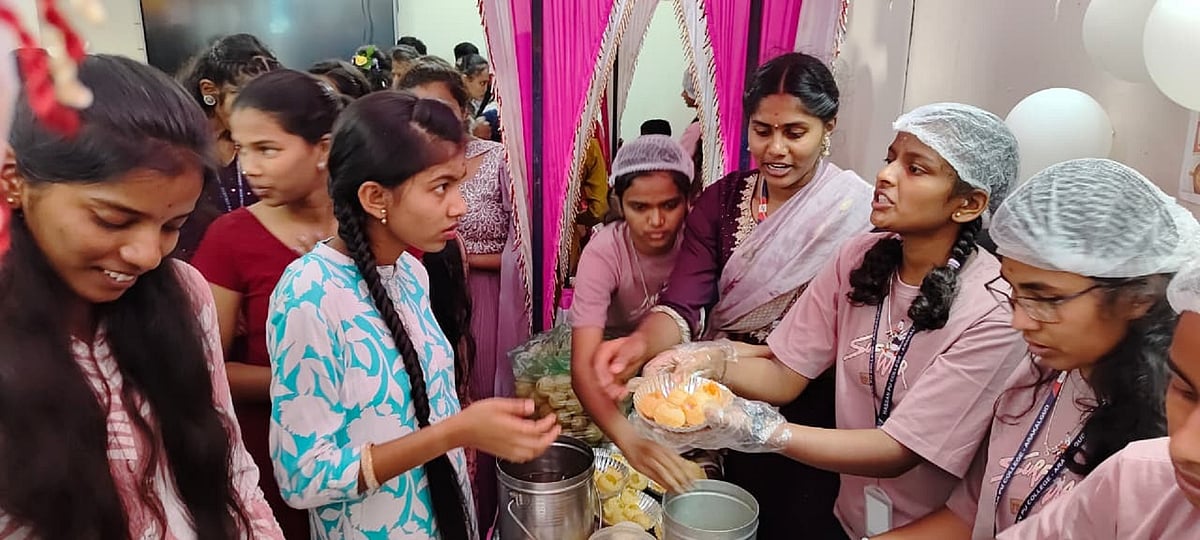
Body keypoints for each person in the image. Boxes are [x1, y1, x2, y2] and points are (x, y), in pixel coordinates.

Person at [638, 103, 1027, 538]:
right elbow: (785, 371)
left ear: (968, 203)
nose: (886, 176)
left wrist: (760, 428)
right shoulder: (860, 257)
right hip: (848, 512)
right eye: (890, 159)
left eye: (915, 169)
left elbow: (898, 450)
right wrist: (708, 362)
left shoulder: (994, 309)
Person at [589, 52, 876, 536]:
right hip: (721, 393)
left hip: (812, 401)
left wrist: (718, 359)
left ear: (829, 126)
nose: (776, 148)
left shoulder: (858, 212)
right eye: (762, 130)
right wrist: (639, 344)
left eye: (795, 132)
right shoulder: (721, 200)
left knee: (793, 519)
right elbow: (683, 304)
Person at [0, 53, 283, 539]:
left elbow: (232, 471)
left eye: (172, 226)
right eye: (112, 220)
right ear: (15, 184)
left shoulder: (181, 293)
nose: (147, 254)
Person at [267, 91, 558, 540]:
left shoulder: (410, 271)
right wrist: (453, 433)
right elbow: (303, 476)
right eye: (441, 187)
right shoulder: (309, 294)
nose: (459, 206)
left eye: (458, 184)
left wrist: (470, 427)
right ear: (374, 197)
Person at [875, 158, 1200, 539]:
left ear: (1136, 296)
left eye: (1046, 299)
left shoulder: (1166, 435)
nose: (1020, 321)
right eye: (1013, 291)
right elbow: (968, 515)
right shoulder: (1036, 376)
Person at [191, 69, 344, 539]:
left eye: (267, 149)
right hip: (279, 453)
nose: (248, 167)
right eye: (241, 148)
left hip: (372, 444)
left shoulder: (373, 220)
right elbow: (209, 369)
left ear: (322, 148)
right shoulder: (231, 237)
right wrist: (317, 385)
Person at [397, 59, 532, 534]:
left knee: (481, 397)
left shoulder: (498, 160)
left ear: (465, 108)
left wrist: (465, 259)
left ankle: (492, 511)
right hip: (420, 292)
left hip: (485, 297)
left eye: (442, 109)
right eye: (417, 110)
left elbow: (525, 246)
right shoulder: (399, 172)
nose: (430, 121)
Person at [993, 260, 1200, 538]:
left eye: (1049, 299)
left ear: (1137, 298)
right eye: (1186, 393)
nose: (1183, 448)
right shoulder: (1139, 480)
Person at [175, 33, 280, 261]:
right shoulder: (178, 146)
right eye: (245, 97)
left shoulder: (264, 144)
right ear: (209, 90)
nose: (257, 110)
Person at [456, 53, 494, 139]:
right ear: (465, 79)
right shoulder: (455, 108)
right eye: (482, 83)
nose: (485, 89)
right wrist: (474, 133)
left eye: (487, 83)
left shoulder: (470, 105)